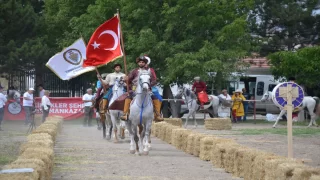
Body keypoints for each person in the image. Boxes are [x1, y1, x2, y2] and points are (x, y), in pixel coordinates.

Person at [120, 56, 163, 122]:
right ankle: (125, 113)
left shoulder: (150, 70)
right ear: (138, 63)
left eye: (142, 62)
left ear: (145, 63)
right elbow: (129, 80)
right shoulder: (134, 71)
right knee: (128, 97)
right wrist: (126, 79)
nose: (141, 63)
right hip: (135, 89)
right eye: (140, 62)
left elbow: (154, 80)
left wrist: (149, 85)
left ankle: (157, 115)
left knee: (155, 98)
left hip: (147, 89)